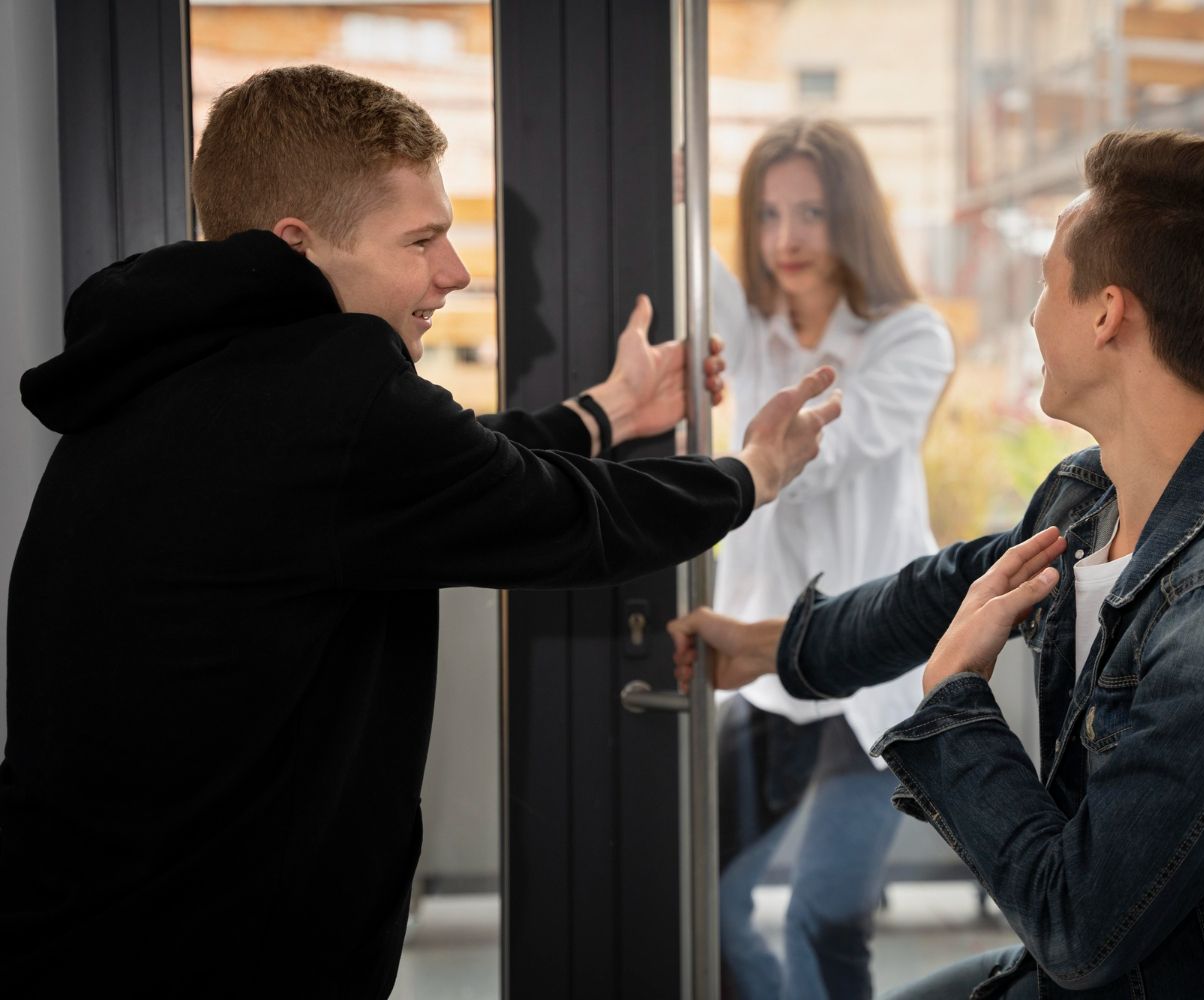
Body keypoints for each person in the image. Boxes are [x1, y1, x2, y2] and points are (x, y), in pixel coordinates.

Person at [0, 64, 842, 996]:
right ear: (299, 244)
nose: (457, 271)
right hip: (213, 952)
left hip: (85, 927)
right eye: (422, 239)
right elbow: (570, 518)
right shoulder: (334, 393)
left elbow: (440, 467)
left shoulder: (175, 369)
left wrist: (604, 412)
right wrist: (751, 475)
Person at [671, 129, 1204, 998]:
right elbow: (945, 587)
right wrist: (776, 647)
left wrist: (955, 706)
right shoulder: (1098, 495)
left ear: (1106, 313)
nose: (1032, 316)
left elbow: (1078, 928)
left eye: (1047, 286)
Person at [705, 118, 953, 1000]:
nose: (788, 239)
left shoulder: (912, 338)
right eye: (769, 215)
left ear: (851, 217)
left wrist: (763, 453)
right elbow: (689, 270)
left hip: (867, 669)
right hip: (767, 666)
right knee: (710, 907)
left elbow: (833, 452)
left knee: (824, 915)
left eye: (810, 211)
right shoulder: (748, 332)